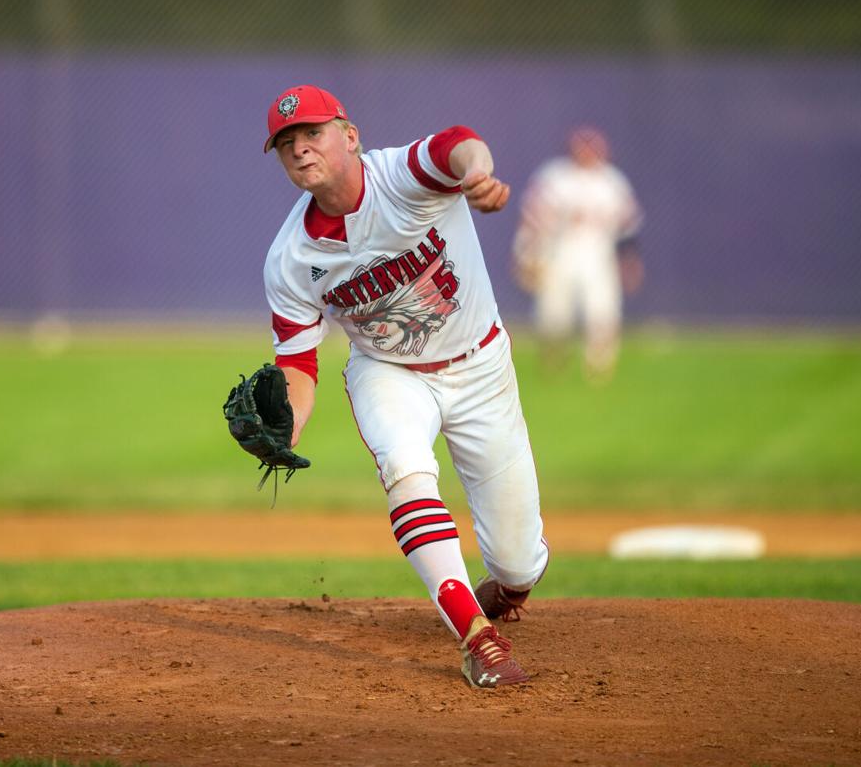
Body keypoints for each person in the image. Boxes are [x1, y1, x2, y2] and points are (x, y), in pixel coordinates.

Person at [256, 84, 548, 688]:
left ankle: (504, 591)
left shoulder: (400, 177)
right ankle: (477, 638)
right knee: (405, 469)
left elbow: (459, 146)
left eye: (312, 133)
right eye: (287, 144)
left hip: (480, 367)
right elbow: (298, 367)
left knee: (519, 563)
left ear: (350, 135)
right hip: (388, 373)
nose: (300, 149)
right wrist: (287, 424)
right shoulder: (290, 258)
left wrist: (478, 176)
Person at [513, 126, 643, 382]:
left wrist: (629, 262)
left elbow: (628, 229)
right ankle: (553, 362)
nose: (587, 152)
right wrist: (526, 256)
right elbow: (531, 222)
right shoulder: (554, 177)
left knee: (602, 312)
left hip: (599, 254)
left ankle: (598, 369)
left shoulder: (612, 181)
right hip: (559, 254)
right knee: (553, 318)